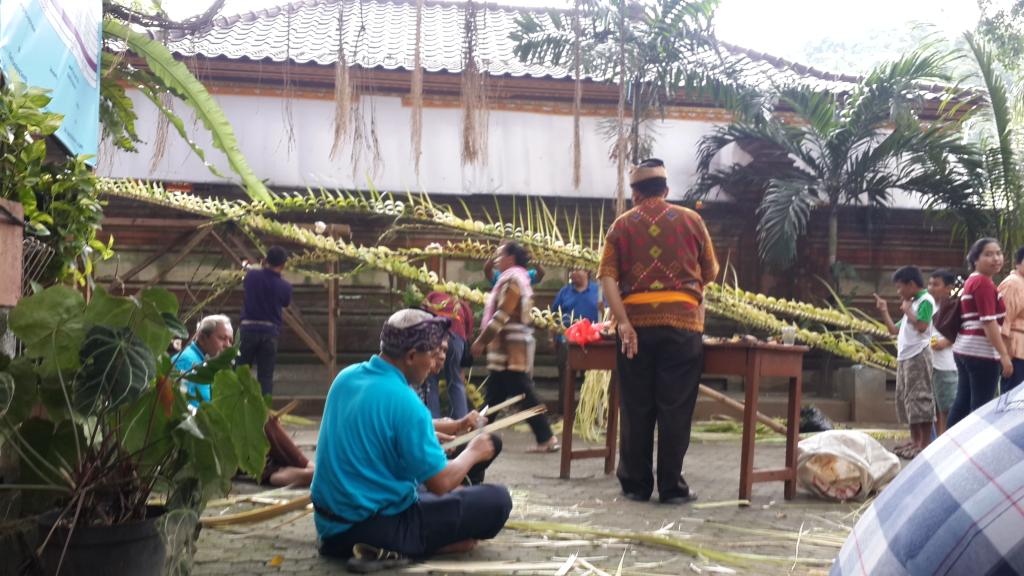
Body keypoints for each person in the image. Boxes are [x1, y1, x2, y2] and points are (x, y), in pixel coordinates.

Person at [312, 309, 511, 571]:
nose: (434, 364)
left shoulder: (346, 378)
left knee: (445, 486)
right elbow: (440, 483)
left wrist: (444, 429)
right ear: (411, 356)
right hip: (372, 527)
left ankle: (429, 533)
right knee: (497, 500)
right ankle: (418, 545)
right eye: (432, 355)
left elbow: (379, 425)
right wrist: (474, 450)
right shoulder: (406, 401)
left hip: (330, 528)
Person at [598, 158, 719, 504]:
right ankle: (671, 488)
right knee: (675, 407)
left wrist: (622, 322)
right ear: (666, 190)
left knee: (636, 406)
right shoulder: (692, 220)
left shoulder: (621, 226)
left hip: (635, 328)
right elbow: (709, 272)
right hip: (683, 326)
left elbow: (607, 277)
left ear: (634, 193)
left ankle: (636, 485)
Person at [830, 384, 1024, 575]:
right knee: (927, 398)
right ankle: (920, 441)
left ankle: (921, 441)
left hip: (855, 559)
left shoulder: (998, 413)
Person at [173, 315, 314, 487]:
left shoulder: (207, 362)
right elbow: (191, 407)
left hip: (212, 427)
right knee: (261, 418)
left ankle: (285, 471)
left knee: (261, 419)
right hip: (198, 431)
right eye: (222, 338)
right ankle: (305, 466)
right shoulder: (188, 360)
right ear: (203, 338)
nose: (227, 345)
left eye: (230, 340)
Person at [470, 241, 559, 453]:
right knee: (494, 396)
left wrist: (482, 340)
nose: (498, 260)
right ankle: (474, 436)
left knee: (525, 397)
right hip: (505, 351)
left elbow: (502, 315)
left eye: (500, 255)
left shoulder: (513, 281)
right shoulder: (513, 279)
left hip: (510, 352)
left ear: (511, 258)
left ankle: (547, 438)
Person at [948, 238, 1013, 428]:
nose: (996, 258)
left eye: (998, 253)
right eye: (988, 254)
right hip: (981, 352)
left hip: (965, 349)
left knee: (962, 403)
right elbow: (989, 322)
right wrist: (1003, 355)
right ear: (975, 259)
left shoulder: (973, 280)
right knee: (981, 409)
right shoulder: (983, 283)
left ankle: (950, 449)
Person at [874, 266, 936, 459]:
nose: (898, 292)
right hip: (906, 356)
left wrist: (908, 311)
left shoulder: (925, 301)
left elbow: (922, 326)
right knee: (907, 399)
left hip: (918, 354)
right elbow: (894, 330)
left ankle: (924, 443)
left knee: (920, 397)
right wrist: (884, 310)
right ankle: (914, 440)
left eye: (900, 287)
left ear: (911, 284)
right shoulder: (912, 303)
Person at [238, 245, 293, 396]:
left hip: (248, 330)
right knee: (265, 377)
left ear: (265, 260)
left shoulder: (251, 276)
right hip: (269, 333)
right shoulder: (285, 286)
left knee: (239, 373)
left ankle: (234, 405)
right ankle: (264, 412)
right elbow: (285, 302)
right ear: (282, 265)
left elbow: (248, 283)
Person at [549, 268, 603, 398]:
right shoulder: (564, 292)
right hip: (566, 340)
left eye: (577, 270)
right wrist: (551, 339)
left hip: (591, 341)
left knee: (591, 377)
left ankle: (588, 412)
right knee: (565, 376)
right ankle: (563, 412)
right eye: (571, 270)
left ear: (587, 272)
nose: (573, 273)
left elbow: (607, 314)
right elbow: (553, 317)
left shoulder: (599, 291)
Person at [421, 291, 474, 418]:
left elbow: (422, 315)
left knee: (430, 381)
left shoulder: (432, 295)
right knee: (455, 381)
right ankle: (461, 423)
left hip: (435, 336)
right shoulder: (463, 304)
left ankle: (433, 423)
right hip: (457, 339)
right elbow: (468, 334)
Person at [927, 269, 958, 435]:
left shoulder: (954, 305)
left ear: (948, 288)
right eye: (930, 283)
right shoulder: (930, 306)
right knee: (936, 410)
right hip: (932, 364)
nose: (931, 288)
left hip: (947, 364)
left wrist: (945, 342)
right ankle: (938, 443)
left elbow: (963, 329)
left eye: (936, 284)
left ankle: (948, 443)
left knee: (948, 408)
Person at [998, 246, 1024, 393]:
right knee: (1012, 402)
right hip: (1014, 352)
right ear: (1018, 263)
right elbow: (1003, 322)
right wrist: (1005, 356)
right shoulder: (1013, 283)